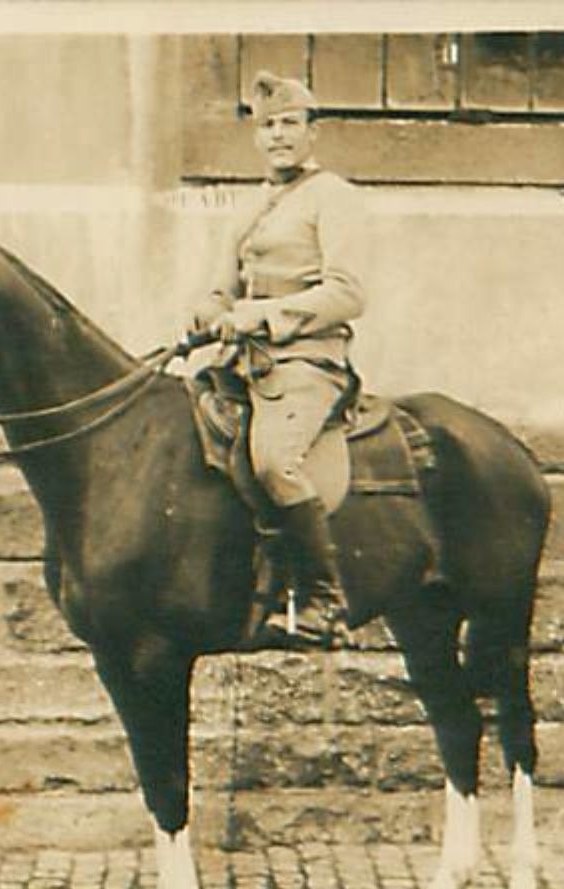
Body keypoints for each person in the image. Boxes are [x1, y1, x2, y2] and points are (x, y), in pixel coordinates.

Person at [189, 70, 369, 649]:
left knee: (273, 461)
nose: (278, 136)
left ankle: (322, 600)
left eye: (290, 123)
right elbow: (223, 288)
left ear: (313, 132)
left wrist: (261, 316)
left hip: (307, 362)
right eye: (267, 126)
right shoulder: (250, 207)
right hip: (244, 362)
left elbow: (347, 294)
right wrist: (207, 311)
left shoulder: (334, 198)